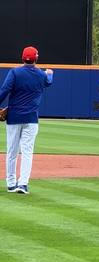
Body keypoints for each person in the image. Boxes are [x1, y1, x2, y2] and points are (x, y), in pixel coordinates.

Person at [0, 46, 53, 194]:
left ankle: (11, 183)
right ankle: (23, 184)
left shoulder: (15, 72)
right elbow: (48, 82)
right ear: (36, 58)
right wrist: (50, 74)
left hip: (14, 117)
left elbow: (4, 91)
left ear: (22, 58)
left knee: (12, 151)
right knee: (27, 152)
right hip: (31, 119)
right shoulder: (41, 75)